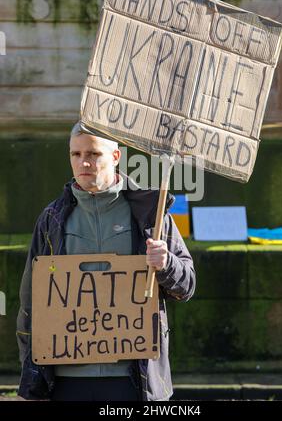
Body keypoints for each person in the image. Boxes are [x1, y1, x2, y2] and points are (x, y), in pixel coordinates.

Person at [16, 122, 196, 401]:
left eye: (93, 154)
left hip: (132, 378)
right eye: (75, 154)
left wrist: (167, 264)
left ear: (115, 157)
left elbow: (187, 285)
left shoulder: (151, 215)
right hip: (66, 379)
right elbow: (30, 302)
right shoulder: (52, 218)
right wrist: (31, 377)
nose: (83, 162)